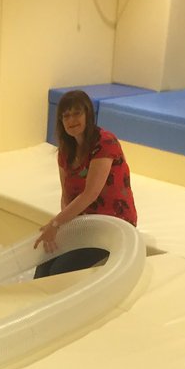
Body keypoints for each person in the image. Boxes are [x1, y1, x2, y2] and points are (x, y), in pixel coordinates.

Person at [34, 89, 137, 278]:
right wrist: (66, 228)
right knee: (43, 265)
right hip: (84, 224)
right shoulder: (66, 151)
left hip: (112, 224)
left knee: (59, 271)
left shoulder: (104, 143)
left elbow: (90, 194)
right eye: (66, 116)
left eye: (77, 113)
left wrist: (56, 224)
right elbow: (66, 195)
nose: (71, 120)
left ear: (88, 114)